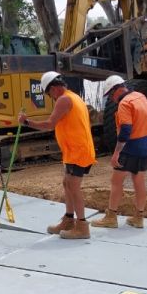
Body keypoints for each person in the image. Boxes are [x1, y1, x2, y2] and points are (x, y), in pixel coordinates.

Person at [18, 71, 96, 239]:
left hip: (78, 150)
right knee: (67, 183)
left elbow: (49, 124)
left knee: (73, 186)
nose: (50, 97)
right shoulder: (72, 97)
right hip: (73, 150)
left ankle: (82, 226)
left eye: (48, 93)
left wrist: (26, 122)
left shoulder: (64, 99)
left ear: (53, 88)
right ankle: (69, 219)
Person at [91, 75, 147, 229]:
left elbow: (125, 130)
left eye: (111, 95)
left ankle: (111, 216)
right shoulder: (140, 96)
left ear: (117, 90)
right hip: (146, 144)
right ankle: (139, 217)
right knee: (139, 181)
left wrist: (116, 152)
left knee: (116, 181)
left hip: (131, 147)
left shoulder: (124, 104)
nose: (111, 99)